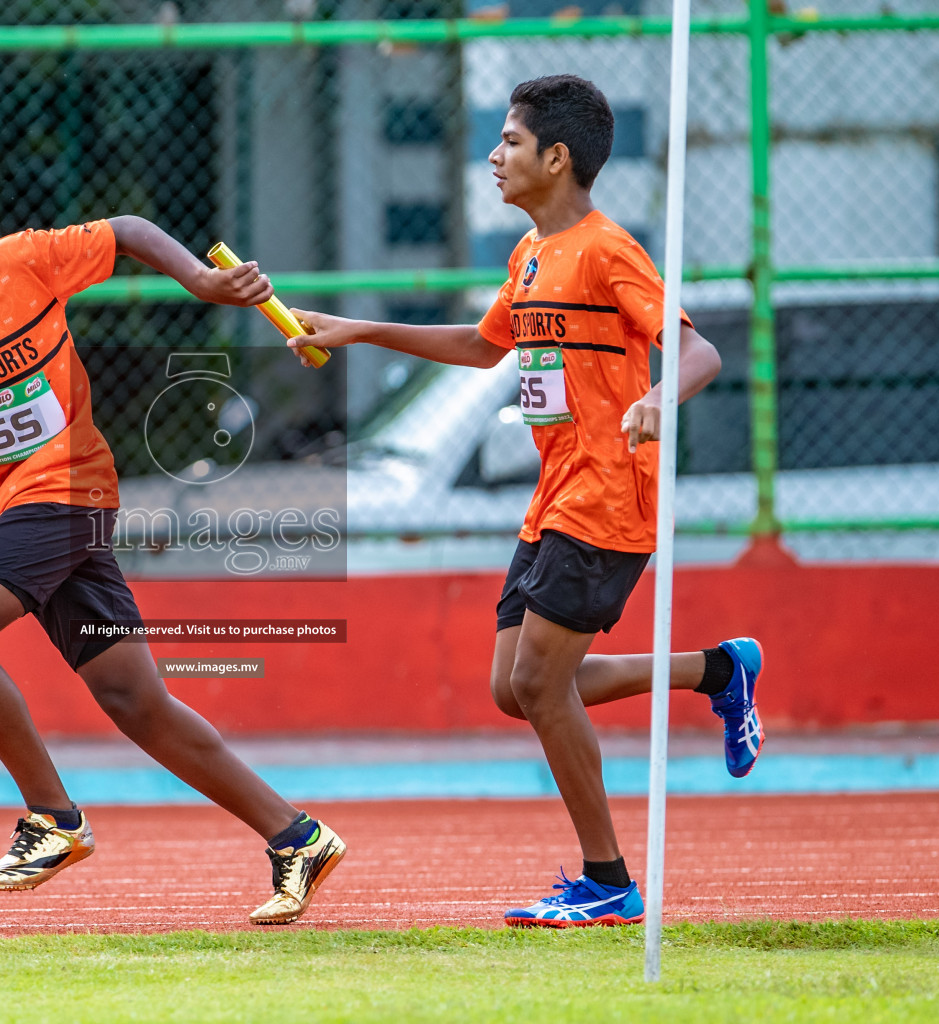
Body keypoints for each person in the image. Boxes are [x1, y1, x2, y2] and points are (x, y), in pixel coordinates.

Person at [0, 155, 344, 925]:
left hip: (67, 489)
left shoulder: (20, 264)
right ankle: (298, 836)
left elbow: (126, 229)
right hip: (22, 517)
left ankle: (52, 819)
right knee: (135, 700)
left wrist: (198, 279)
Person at [289, 76, 763, 928]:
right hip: (552, 497)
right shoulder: (531, 255)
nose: (493, 156)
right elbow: (482, 346)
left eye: (508, 141)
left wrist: (661, 399)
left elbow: (698, 351)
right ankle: (719, 671)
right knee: (518, 688)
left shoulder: (606, 248)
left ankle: (608, 880)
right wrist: (358, 328)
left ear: (557, 157)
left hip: (608, 494)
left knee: (544, 686)